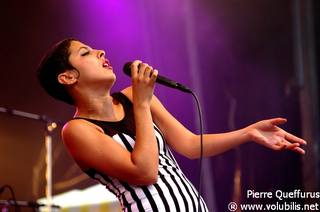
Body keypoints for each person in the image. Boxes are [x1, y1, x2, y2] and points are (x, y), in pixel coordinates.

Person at [37, 38, 307, 212]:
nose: (100, 51)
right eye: (86, 52)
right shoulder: (78, 130)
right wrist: (143, 105)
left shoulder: (133, 98)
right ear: (67, 77)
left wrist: (248, 133)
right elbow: (144, 172)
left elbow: (189, 145)